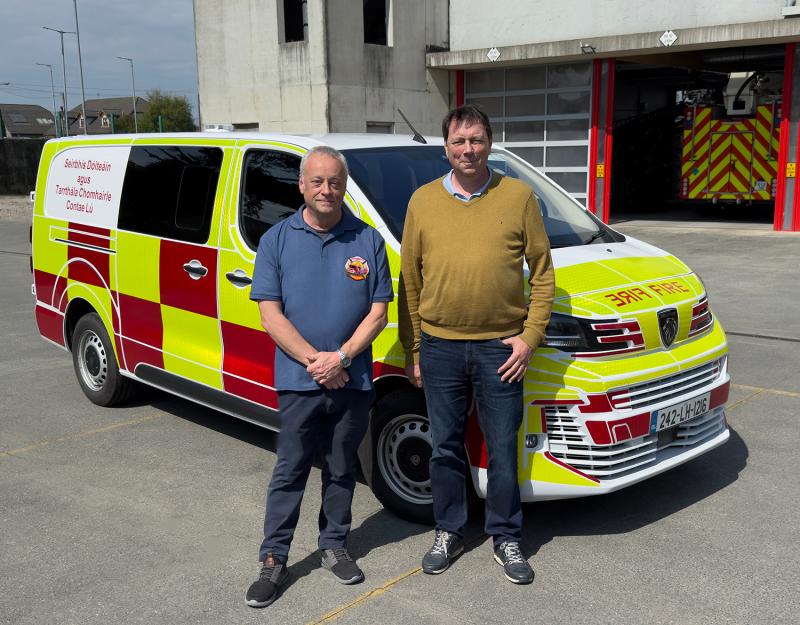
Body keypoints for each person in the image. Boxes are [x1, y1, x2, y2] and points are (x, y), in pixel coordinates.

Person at [398, 105, 555, 585]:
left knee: (502, 449)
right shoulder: (422, 201)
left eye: (477, 140)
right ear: (445, 146)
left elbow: (544, 275)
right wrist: (415, 349)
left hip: (499, 351)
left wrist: (529, 339)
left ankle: (506, 536)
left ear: (490, 143)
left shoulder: (519, 196)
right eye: (459, 141)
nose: (468, 149)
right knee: (444, 448)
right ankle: (449, 530)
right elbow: (410, 280)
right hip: (441, 348)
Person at [246, 145, 393, 608]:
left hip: (352, 381)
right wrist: (318, 362)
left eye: (334, 182)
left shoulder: (368, 240)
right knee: (289, 471)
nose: (326, 190)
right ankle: (274, 560)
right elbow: (271, 315)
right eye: (317, 181)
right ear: (301, 186)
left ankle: (333, 545)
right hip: (298, 382)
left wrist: (343, 359)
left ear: (344, 187)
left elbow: (378, 313)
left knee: (341, 468)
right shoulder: (277, 241)